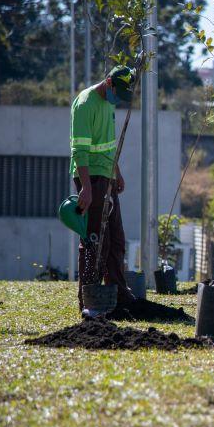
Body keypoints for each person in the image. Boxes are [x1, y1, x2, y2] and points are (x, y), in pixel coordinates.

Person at [70, 65, 136, 313]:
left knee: (116, 239)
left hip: (106, 176)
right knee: (95, 240)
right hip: (91, 178)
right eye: (116, 93)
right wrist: (86, 188)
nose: (117, 100)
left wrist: (116, 173)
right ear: (108, 82)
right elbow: (80, 150)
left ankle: (118, 294)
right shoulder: (86, 104)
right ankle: (89, 298)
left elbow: (108, 145)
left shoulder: (109, 104)